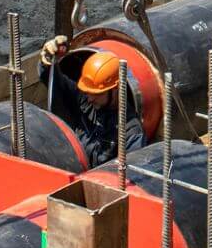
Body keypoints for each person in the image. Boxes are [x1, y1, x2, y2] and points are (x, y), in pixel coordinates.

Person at [39, 36, 145, 167]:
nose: (90, 98)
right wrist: (48, 62)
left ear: (116, 89)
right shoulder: (85, 100)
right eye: (88, 92)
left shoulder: (131, 132)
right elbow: (54, 82)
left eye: (96, 94)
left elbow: (130, 173)